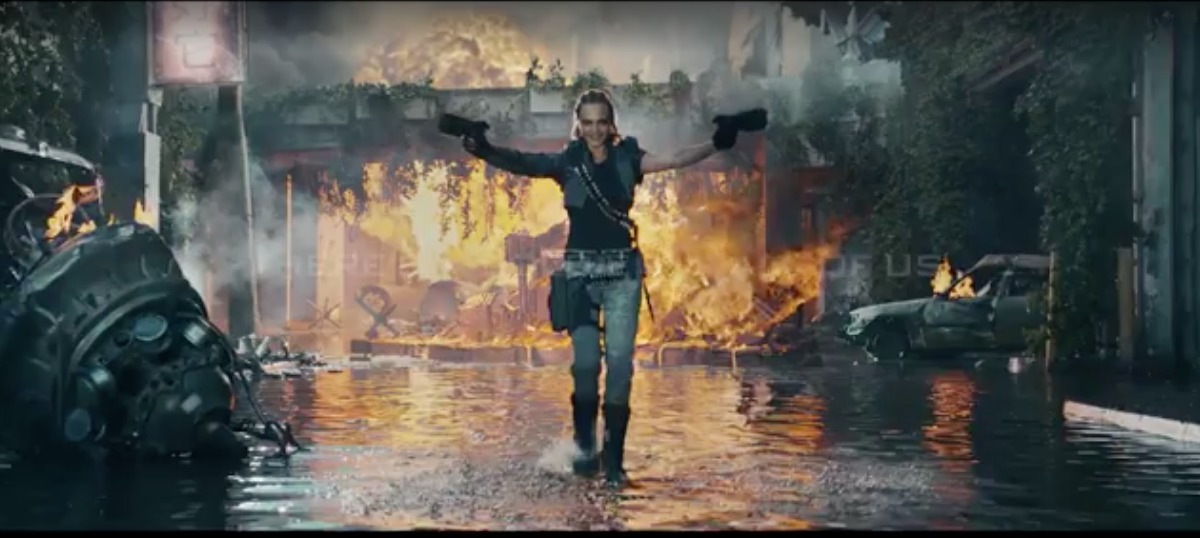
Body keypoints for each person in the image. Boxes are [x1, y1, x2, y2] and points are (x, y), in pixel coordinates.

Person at [460, 89, 760, 487]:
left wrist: (716, 143)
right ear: (579, 126)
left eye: (602, 122)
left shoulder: (627, 158)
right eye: (588, 123)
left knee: (619, 367)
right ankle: (586, 454)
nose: (595, 130)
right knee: (585, 367)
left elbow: (672, 159)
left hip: (622, 277)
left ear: (611, 124)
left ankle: (614, 463)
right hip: (580, 278)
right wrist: (483, 149)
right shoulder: (567, 162)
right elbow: (523, 163)